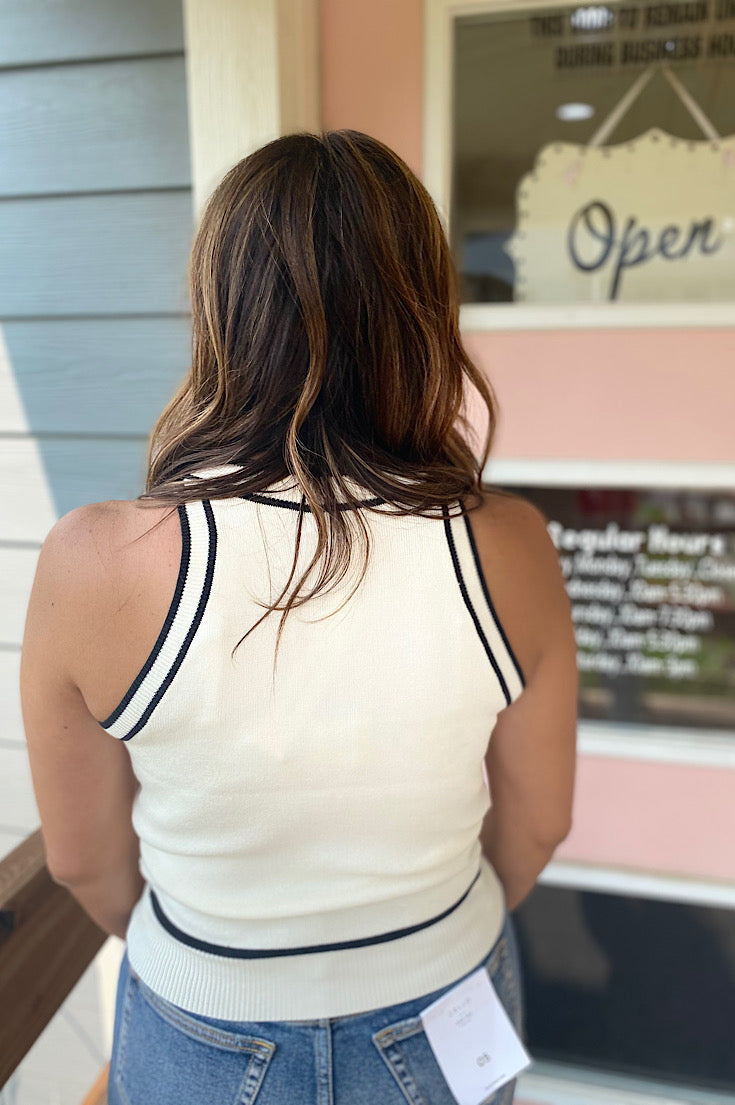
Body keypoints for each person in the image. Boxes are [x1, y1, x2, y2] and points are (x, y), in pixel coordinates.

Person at [20, 129, 577, 1105]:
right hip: (446, 1001)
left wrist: (218, 964)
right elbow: (538, 824)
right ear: (421, 308)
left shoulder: (93, 561)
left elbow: (82, 861)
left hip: (200, 1023)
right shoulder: (511, 544)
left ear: (219, 308)